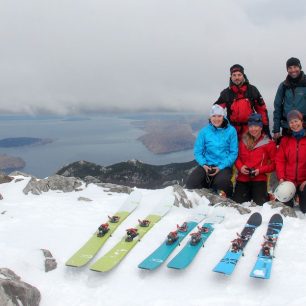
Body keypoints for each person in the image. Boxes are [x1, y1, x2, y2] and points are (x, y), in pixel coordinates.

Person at [186, 105, 238, 197]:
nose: (216, 119)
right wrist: (204, 164)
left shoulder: (231, 131)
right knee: (191, 184)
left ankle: (227, 201)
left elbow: (233, 153)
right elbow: (198, 151)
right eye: (214, 116)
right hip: (207, 165)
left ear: (224, 116)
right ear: (210, 117)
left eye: (219, 116)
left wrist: (221, 167)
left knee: (222, 185)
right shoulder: (204, 131)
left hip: (223, 165)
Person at [215, 64, 270, 139]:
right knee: (234, 150)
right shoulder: (226, 93)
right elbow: (216, 110)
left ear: (243, 75)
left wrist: (265, 128)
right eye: (234, 75)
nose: (237, 77)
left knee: (249, 150)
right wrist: (220, 125)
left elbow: (261, 110)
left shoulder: (252, 90)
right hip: (232, 131)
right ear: (231, 77)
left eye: (239, 75)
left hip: (251, 130)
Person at [233, 114, 276, 206]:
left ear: (261, 127)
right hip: (243, 178)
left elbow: (274, 164)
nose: (253, 129)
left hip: (259, 178)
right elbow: (236, 157)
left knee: (260, 204)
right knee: (238, 203)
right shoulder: (242, 141)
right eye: (251, 126)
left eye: (256, 126)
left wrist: (260, 170)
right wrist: (241, 167)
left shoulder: (268, 143)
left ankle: (267, 195)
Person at [275, 110, 306, 213]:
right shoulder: (285, 140)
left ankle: (300, 198)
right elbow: (280, 160)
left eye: (296, 121)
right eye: (291, 122)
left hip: (304, 181)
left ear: (301, 121)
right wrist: (281, 178)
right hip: (289, 181)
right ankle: (292, 197)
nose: (294, 124)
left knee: (305, 209)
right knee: (284, 208)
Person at [273, 57, 306, 141]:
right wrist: (276, 129)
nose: (293, 70)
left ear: (300, 67)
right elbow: (277, 107)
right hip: (287, 127)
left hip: (304, 126)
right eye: (290, 68)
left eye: (295, 67)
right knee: (288, 152)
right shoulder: (283, 85)